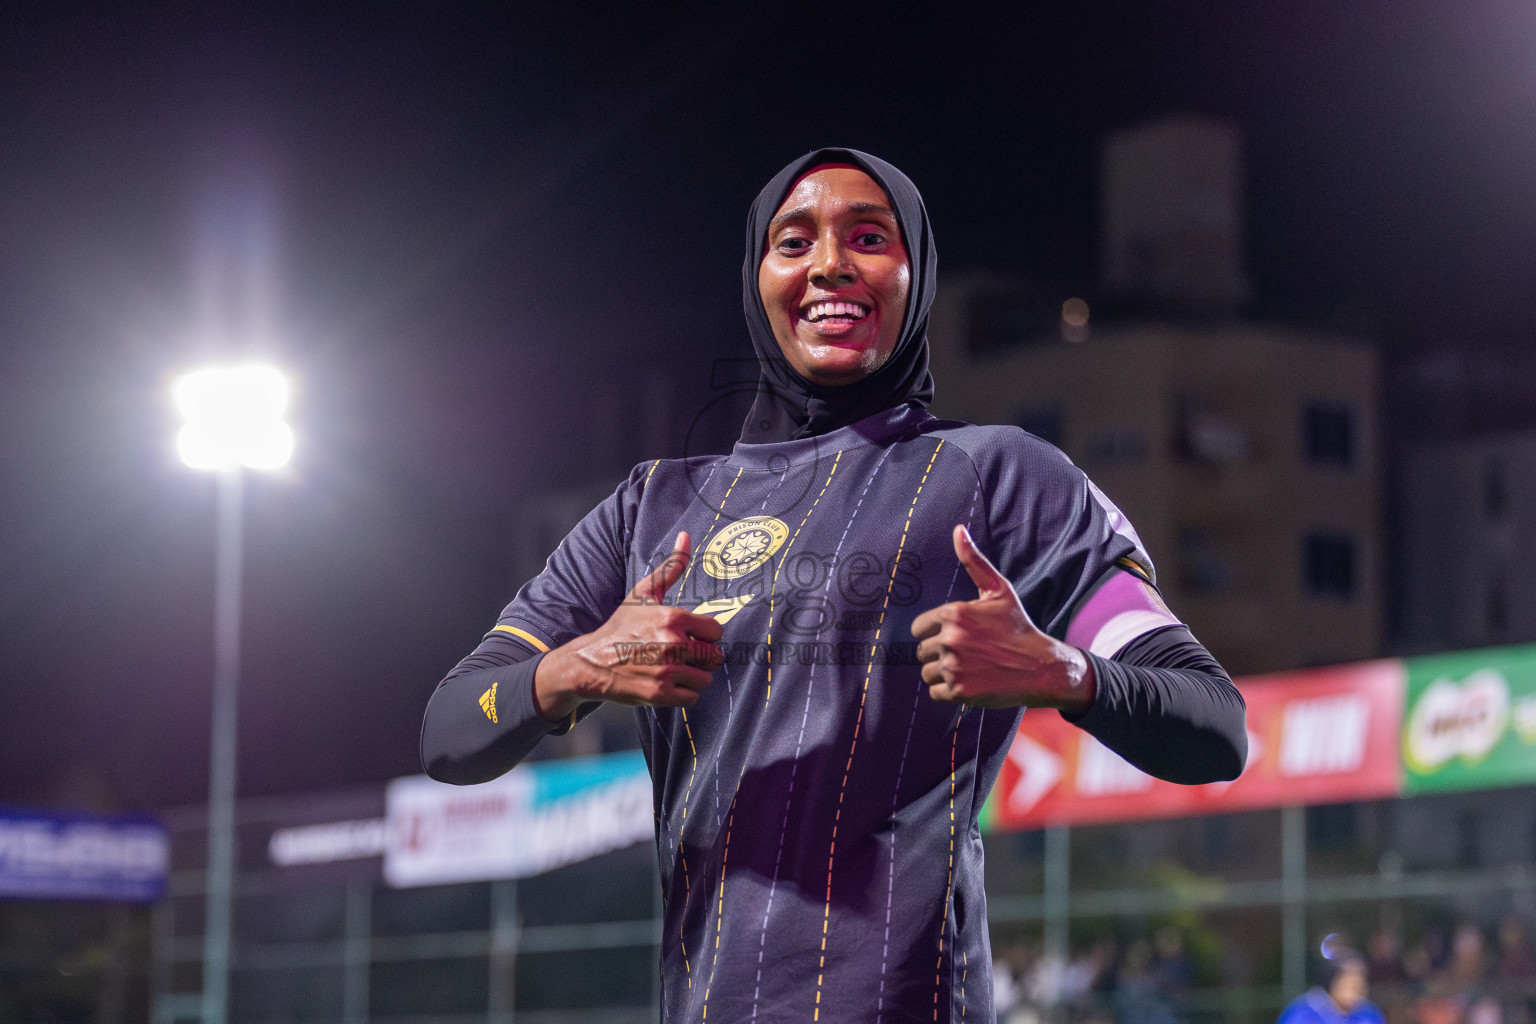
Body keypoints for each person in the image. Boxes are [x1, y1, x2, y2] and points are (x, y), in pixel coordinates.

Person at [419, 147, 1247, 1023]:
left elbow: (1214, 723)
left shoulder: (1006, 479)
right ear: (757, 276)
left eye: (867, 236)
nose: (829, 264)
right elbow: (449, 728)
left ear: (915, 272)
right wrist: (572, 670)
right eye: (794, 240)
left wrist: (1062, 674)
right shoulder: (647, 509)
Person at [1278, 955, 1386, 1024]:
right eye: (1349, 984)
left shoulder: (1368, 1013)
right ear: (1331, 983)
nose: (1356, 989)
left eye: (1360, 984)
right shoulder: (1304, 1011)